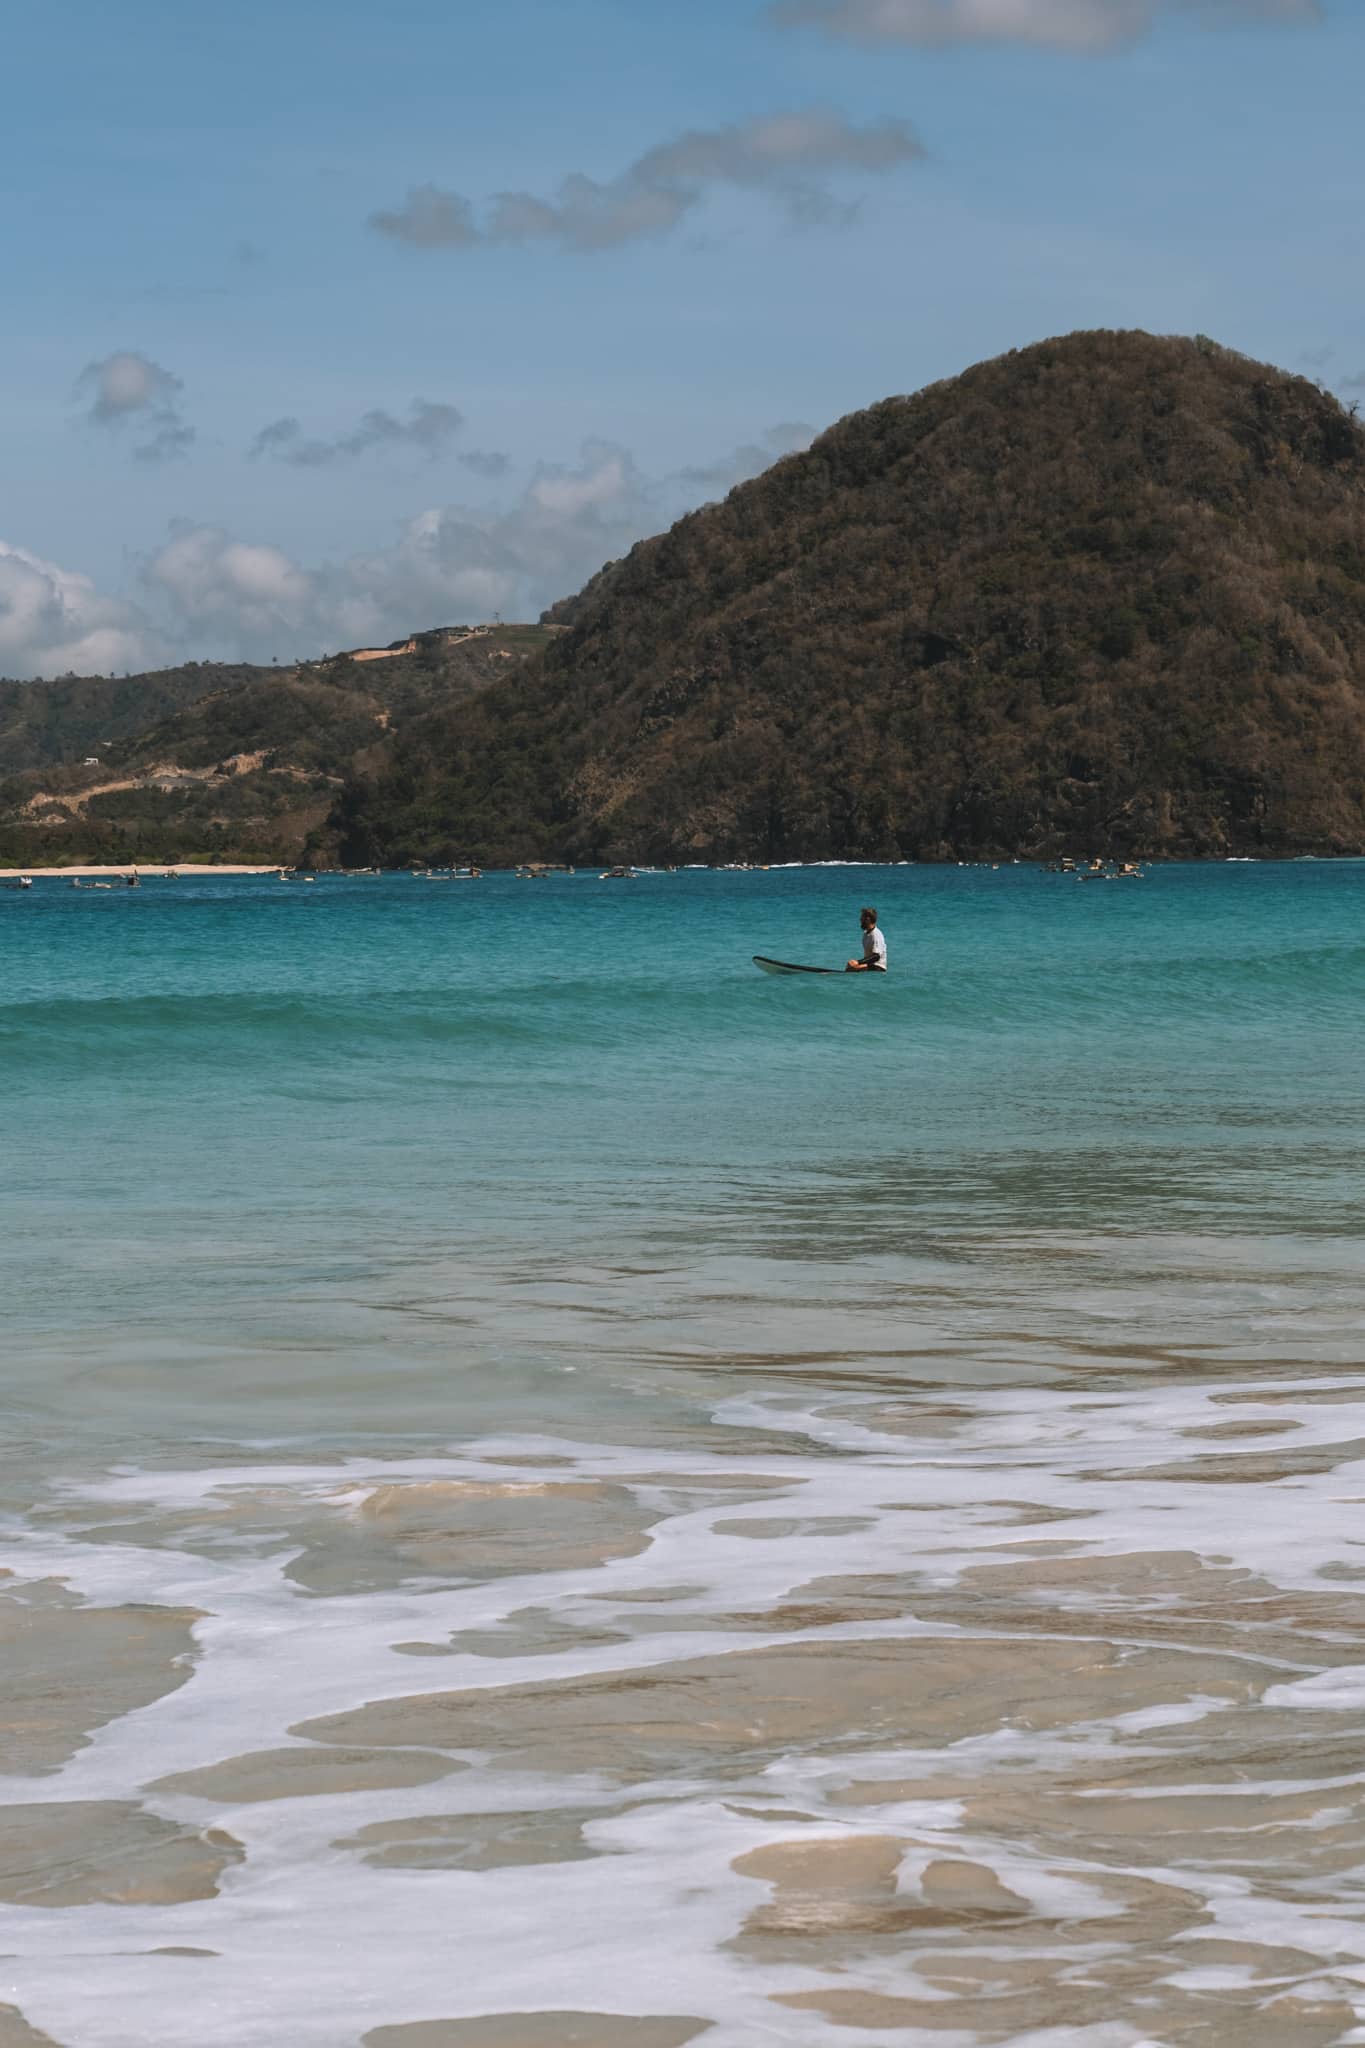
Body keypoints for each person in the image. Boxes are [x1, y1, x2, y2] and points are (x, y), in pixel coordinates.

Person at [847, 906, 887, 972]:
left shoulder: (876, 934)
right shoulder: (866, 933)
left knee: (852, 968)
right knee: (850, 965)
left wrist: (858, 962)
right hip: (870, 964)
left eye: (862, 918)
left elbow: (876, 956)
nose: (860, 920)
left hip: (878, 967)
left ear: (868, 919)